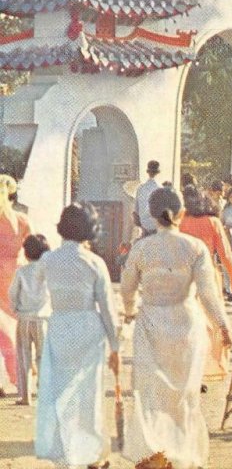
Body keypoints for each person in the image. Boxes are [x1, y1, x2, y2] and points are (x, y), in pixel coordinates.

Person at [121, 186, 232, 469]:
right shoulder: (195, 248)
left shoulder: (141, 248)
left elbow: (127, 289)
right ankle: (182, 453)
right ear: (181, 213)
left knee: (150, 393)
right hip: (186, 322)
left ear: (150, 215)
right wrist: (223, 325)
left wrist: (130, 311)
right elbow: (208, 294)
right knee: (185, 394)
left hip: (151, 324)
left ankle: (153, 451)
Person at [35, 203, 119, 469]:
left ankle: (64, 452)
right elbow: (107, 307)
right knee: (88, 394)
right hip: (88, 327)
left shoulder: (47, 260)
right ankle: (92, 454)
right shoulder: (94, 262)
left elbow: (35, 290)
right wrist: (115, 345)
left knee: (60, 391)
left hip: (59, 325)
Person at [179, 185, 232, 380]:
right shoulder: (213, 222)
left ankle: (189, 370)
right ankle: (204, 370)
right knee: (211, 324)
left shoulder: (180, 221)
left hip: (184, 277)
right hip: (208, 275)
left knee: (188, 323)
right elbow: (226, 255)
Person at [8, 233, 50, 405]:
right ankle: (44, 394)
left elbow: (12, 294)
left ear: (26, 253)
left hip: (24, 318)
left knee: (24, 357)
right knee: (43, 357)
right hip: (42, 319)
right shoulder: (47, 271)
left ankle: (26, 396)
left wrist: (15, 308)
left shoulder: (21, 272)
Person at [0, 174, 32, 396]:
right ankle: (20, 378)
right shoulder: (21, 219)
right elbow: (32, 250)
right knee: (16, 330)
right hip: (15, 275)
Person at [134, 160, 161, 237]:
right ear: (158, 172)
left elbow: (136, 211)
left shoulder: (140, 188)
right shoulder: (160, 189)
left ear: (148, 172)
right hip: (157, 227)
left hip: (144, 227)